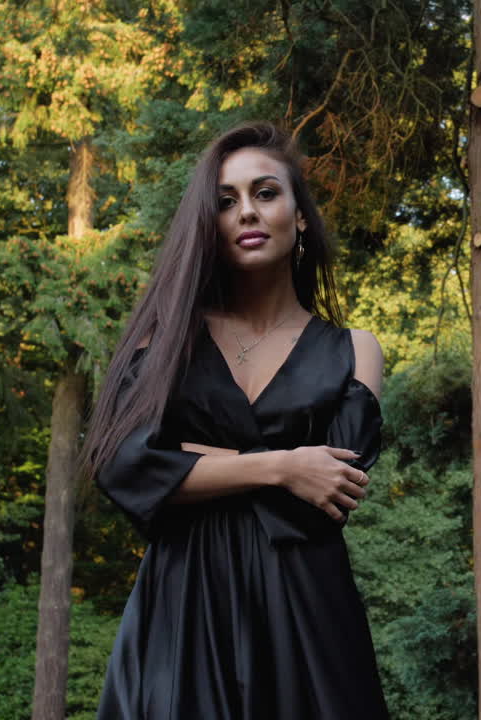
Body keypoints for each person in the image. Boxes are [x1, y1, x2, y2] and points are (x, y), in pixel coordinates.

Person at [80, 122, 389, 719]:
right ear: (209, 224)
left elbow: (327, 495)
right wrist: (282, 464)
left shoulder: (356, 350)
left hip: (306, 612)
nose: (246, 211)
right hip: (183, 605)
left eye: (265, 193)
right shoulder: (164, 342)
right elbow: (124, 469)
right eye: (226, 202)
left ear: (299, 215)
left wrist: (192, 463)